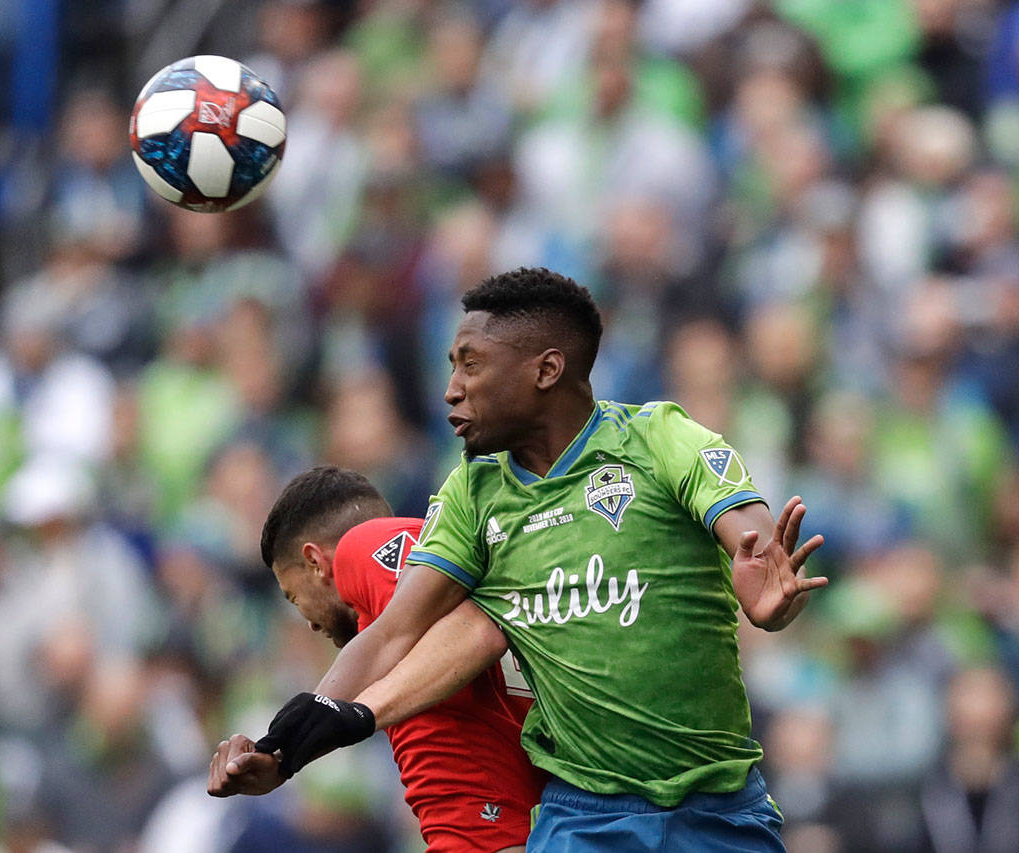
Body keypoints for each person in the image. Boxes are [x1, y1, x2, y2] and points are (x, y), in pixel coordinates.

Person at [215, 268, 827, 850]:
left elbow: (750, 540)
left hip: (718, 806)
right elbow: (390, 635)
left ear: (546, 370)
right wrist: (284, 749)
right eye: (452, 366)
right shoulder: (473, 496)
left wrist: (764, 593)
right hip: (585, 817)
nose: (452, 389)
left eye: (472, 366)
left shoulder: (661, 439)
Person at [208, 466, 547, 852]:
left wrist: (293, 747)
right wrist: (285, 754)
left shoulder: (370, 545)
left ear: (316, 562)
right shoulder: (429, 612)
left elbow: (471, 635)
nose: (309, 626)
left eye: (293, 597)